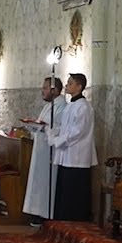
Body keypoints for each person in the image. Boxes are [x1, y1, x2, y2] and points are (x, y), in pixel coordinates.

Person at [49, 73, 98, 222]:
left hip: (77, 156)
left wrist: (58, 140)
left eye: (70, 83)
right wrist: (54, 132)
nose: (66, 86)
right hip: (66, 154)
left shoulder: (84, 107)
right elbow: (66, 127)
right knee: (64, 190)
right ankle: (62, 219)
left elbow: (78, 132)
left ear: (79, 87)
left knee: (74, 192)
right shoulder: (70, 106)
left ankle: (74, 220)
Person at [21, 77, 66, 225]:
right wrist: (33, 125)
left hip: (50, 150)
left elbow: (58, 128)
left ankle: (45, 213)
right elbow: (44, 124)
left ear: (55, 90)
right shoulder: (49, 105)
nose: (42, 91)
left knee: (46, 183)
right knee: (38, 182)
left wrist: (42, 126)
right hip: (41, 148)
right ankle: (36, 211)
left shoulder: (61, 106)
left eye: (45, 88)